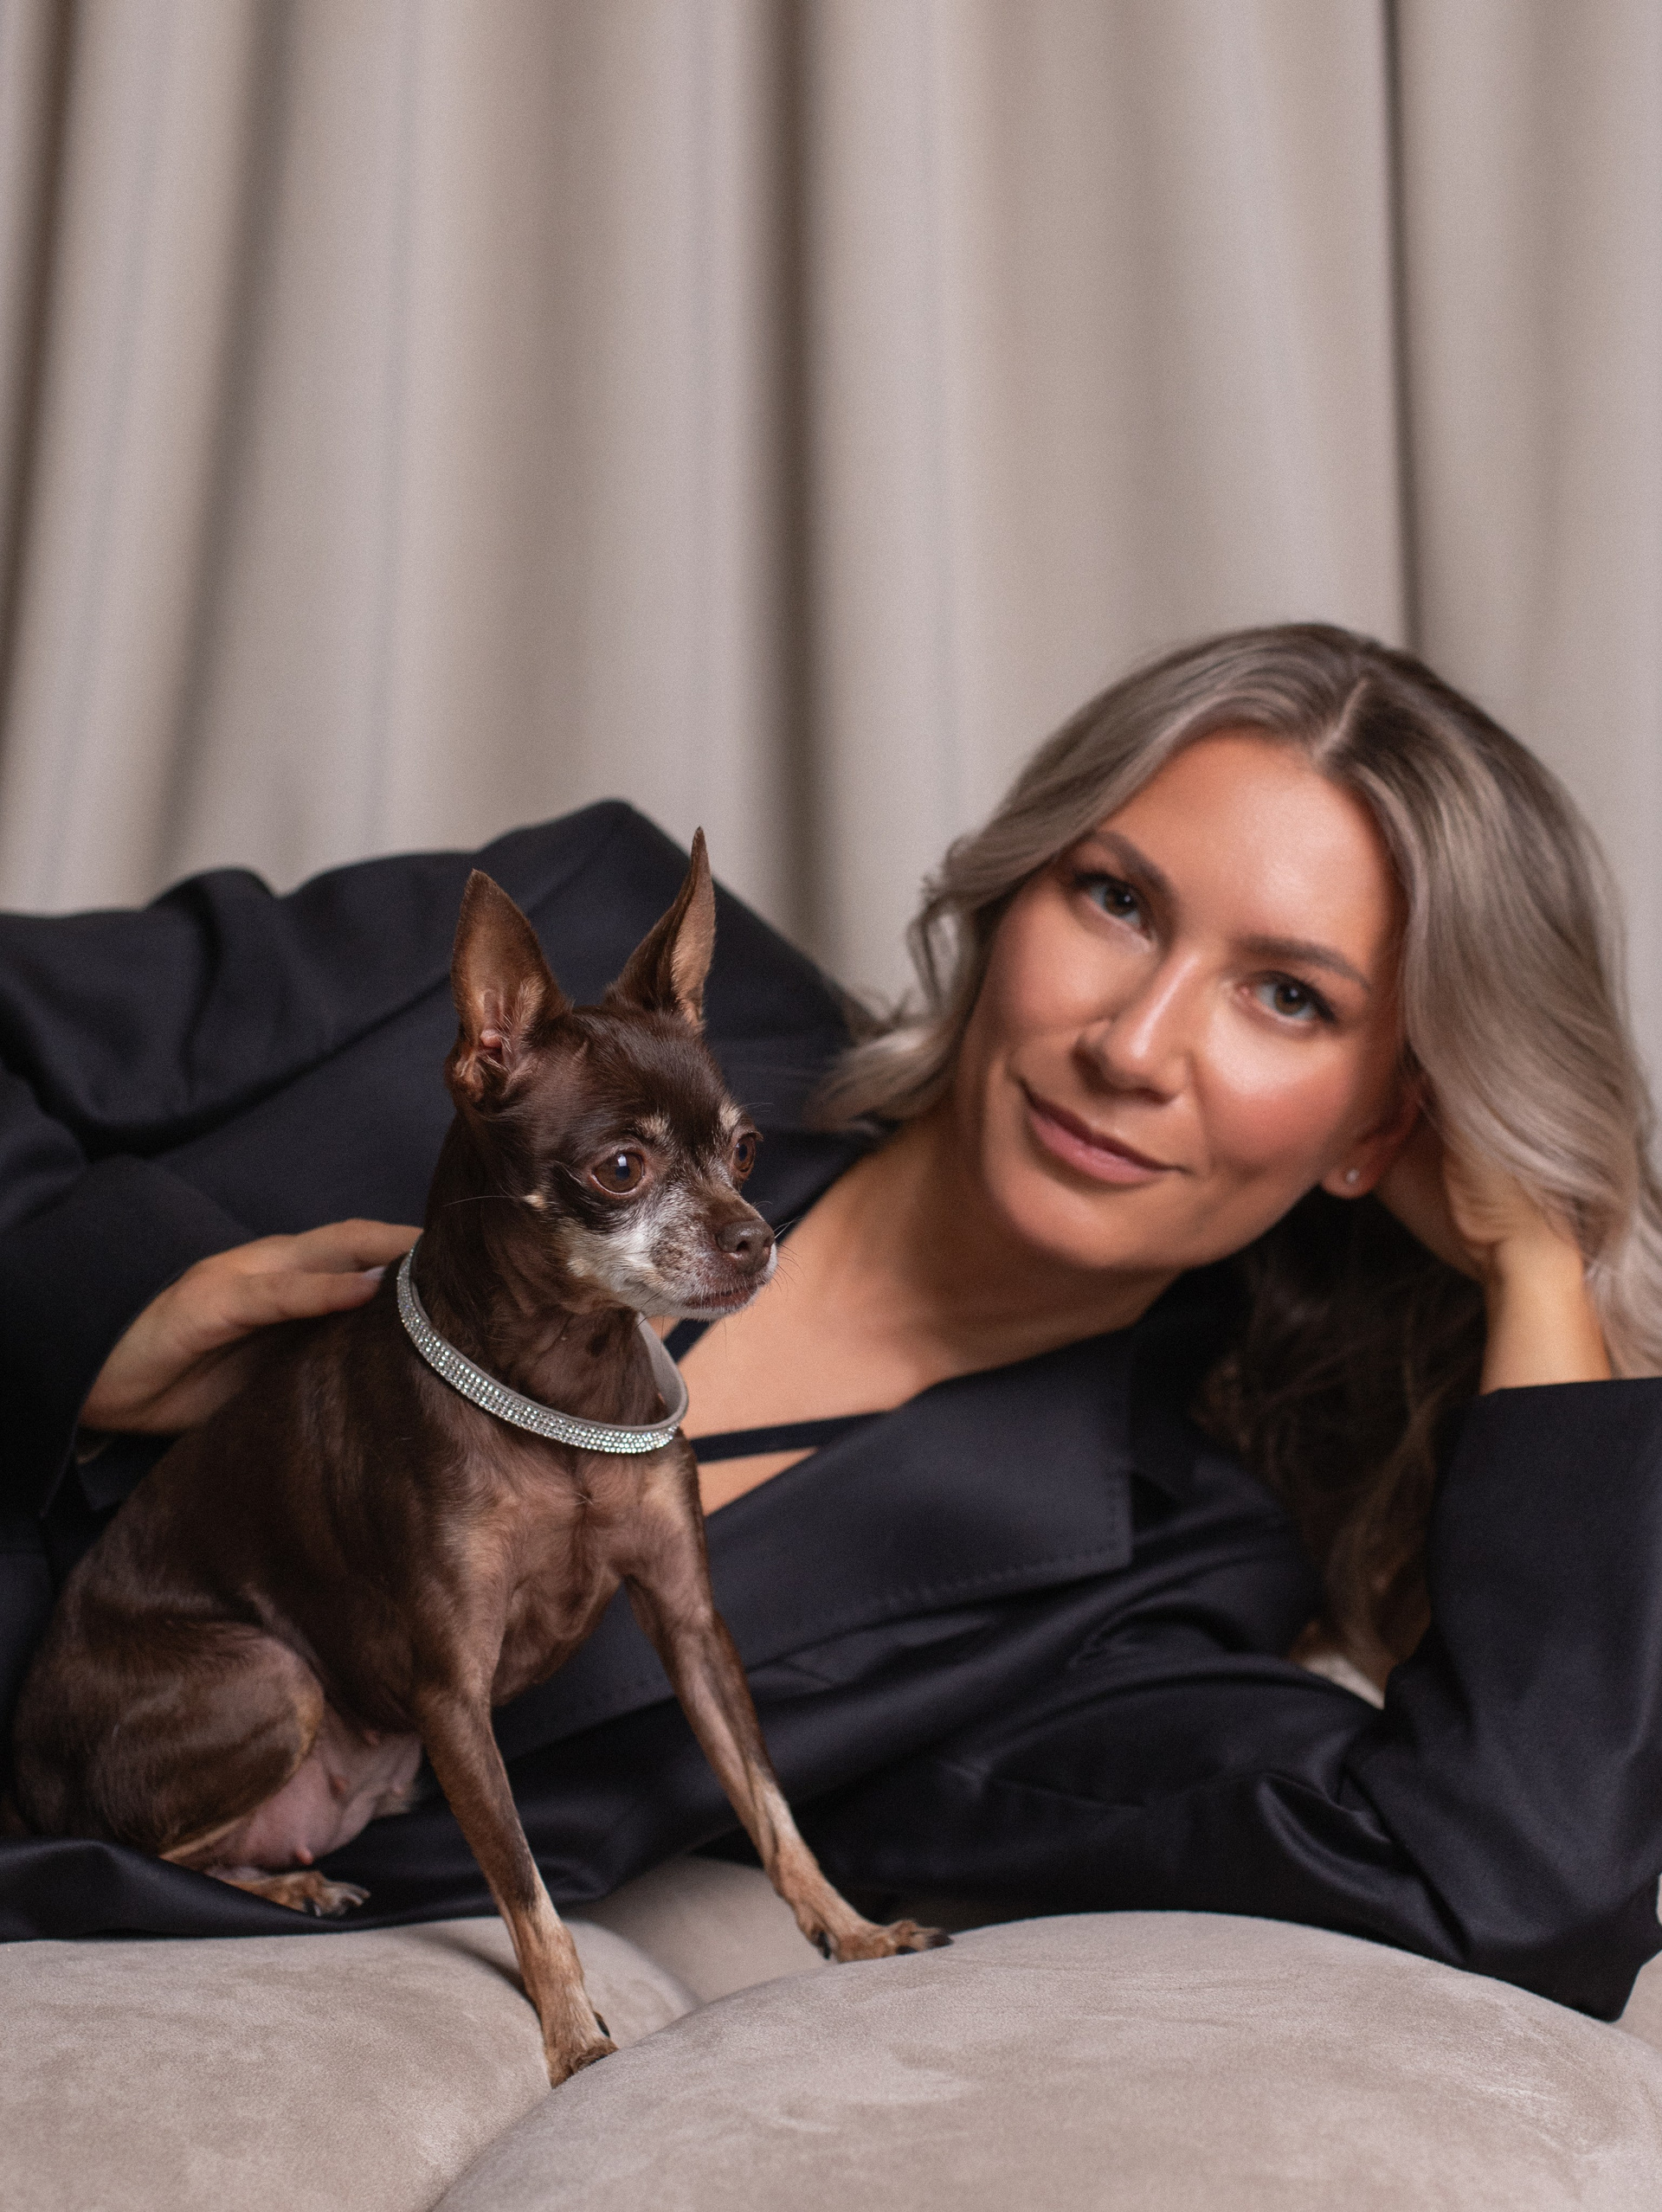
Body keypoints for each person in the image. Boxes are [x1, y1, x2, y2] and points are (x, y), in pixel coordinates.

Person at [3, 622, 1660, 2017]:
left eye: (1288, 996)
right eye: (1118, 900)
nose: (1135, 1043)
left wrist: (1536, 1257)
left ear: (1384, 1127)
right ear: (1013, 895)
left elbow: (1506, 1882)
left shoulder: (1147, 1581)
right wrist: (98, 1304)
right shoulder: (585, 933)